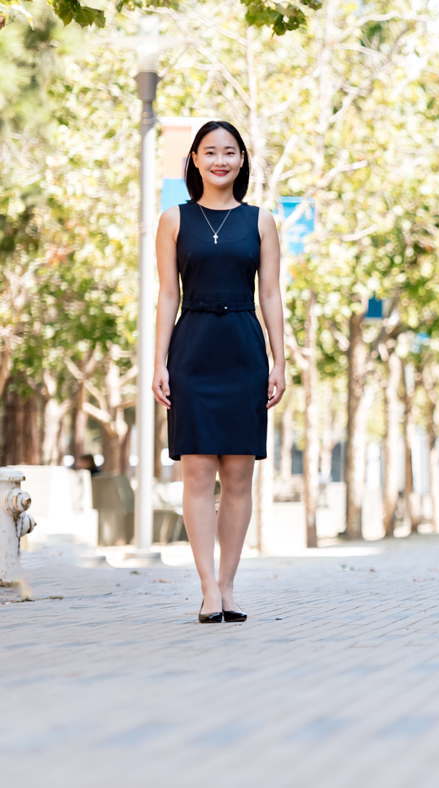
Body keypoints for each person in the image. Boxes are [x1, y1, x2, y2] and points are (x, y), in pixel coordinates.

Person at [152, 121, 286, 624]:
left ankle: (229, 585)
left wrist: (280, 361)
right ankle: (208, 589)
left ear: (242, 162)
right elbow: (168, 294)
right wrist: (159, 361)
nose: (220, 161)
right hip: (193, 350)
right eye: (210, 152)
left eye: (230, 152)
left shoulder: (260, 220)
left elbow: (270, 293)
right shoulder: (174, 219)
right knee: (198, 471)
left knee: (237, 474)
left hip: (244, 350)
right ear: (193, 160)